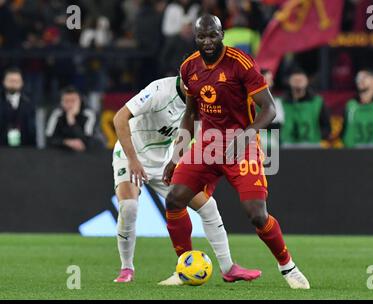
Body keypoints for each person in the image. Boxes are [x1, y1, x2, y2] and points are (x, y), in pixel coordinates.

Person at [162, 15, 310, 289]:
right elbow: (191, 113)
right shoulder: (188, 67)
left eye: (212, 36)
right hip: (207, 144)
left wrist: (247, 135)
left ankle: (288, 267)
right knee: (174, 199)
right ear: (195, 38)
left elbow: (269, 109)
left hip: (240, 143)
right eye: (201, 37)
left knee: (256, 213)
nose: (207, 42)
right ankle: (185, 266)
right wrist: (177, 155)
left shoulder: (240, 63)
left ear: (222, 34)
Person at [112, 75, 261, 283]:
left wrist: (177, 161)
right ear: (181, 77)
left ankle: (228, 268)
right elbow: (119, 118)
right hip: (132, 156)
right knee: (129, 207)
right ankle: (126, 269)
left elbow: (190, 133)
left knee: (208, 206)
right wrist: (133, 160)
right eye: (189, 80)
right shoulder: (158, 90)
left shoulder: (202, 99)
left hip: (165, 161)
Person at [281, 68, 331, 147]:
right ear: (289, 82)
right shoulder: (281, 102)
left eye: (300, 80)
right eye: (295, 80)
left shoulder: (317, 102)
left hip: (312, 144)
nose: (298, 82)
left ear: (307, 81)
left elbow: (326, 125)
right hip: (287, 144)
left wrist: (317, 136)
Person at [45, 86, 98, 152]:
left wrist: (71, 121)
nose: (70, 104)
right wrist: (66, 142)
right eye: (66, 101)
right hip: (60, 154)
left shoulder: (89, 115)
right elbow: (49, 139)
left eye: (73, 101)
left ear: (80, 101)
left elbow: (89, 141)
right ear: (61, 102)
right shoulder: (56, 114)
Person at [0, 67, 36, 147]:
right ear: (4, 82)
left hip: (25, 150)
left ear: (22, 83)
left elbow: (32, 130)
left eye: (16, 81)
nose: (13, 83)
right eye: (10, 80)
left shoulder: (29, 102)